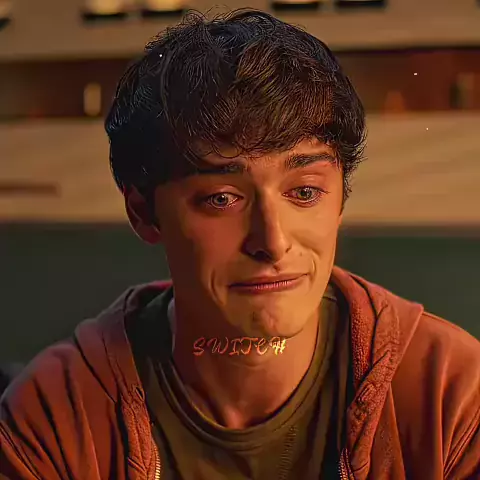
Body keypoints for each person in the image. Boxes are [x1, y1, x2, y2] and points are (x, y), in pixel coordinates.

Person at [1, 9, 479, 480]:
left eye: (305, 192)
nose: (273, 241)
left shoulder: (450, 394)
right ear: (143, 213)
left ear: (341, 200)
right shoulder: (55, 417)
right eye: (222, 199)